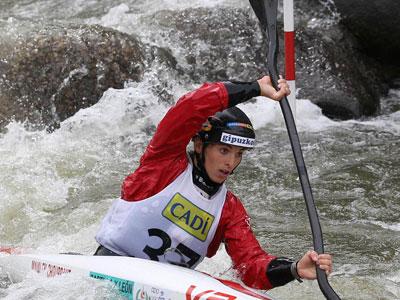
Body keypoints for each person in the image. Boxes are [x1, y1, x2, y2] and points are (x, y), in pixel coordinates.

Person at [94, 76, 333, 290]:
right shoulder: (162, 164)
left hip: (166, 290)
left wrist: (293, 269)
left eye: (239, 154)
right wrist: (254, 89)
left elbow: (250, 265)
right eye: (224, 150)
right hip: (109, 266)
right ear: (199, 145)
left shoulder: (229, 210)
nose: (231, 162)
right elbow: (191, 107)